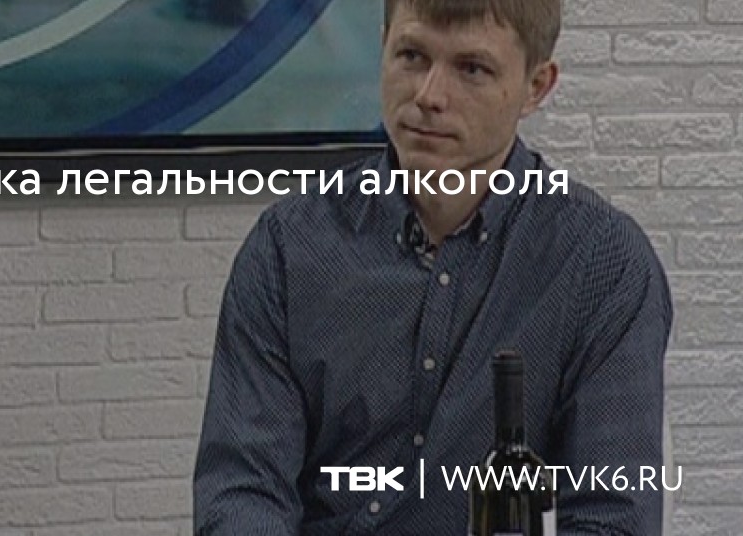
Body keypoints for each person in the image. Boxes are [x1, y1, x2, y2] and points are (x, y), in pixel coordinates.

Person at [193, 0, 673, 534]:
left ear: (536, 87)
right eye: (412, 56)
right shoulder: (288, 249)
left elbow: (611, 516)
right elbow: (244, 490)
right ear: (382, 47)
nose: (429, 96)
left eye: (472, 69)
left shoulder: (603, 264)